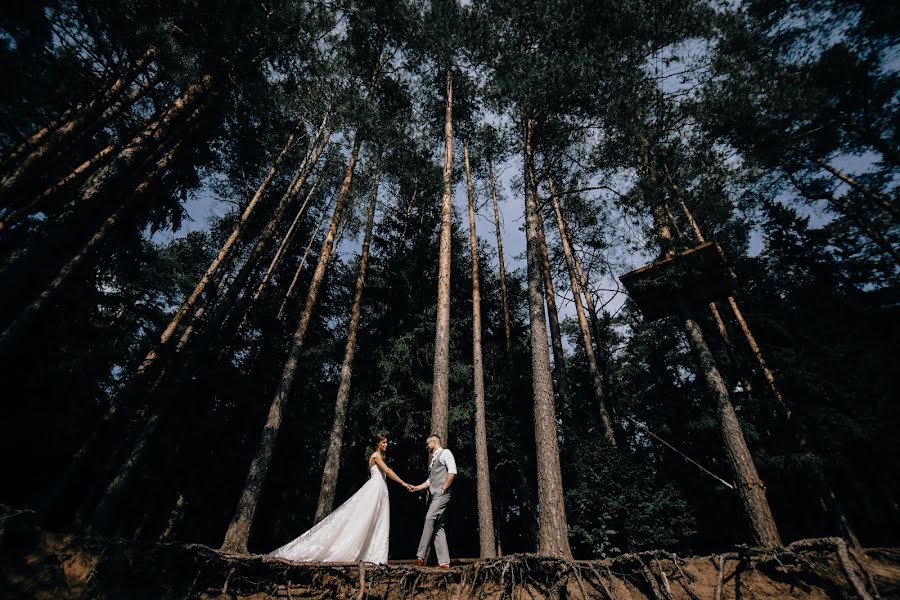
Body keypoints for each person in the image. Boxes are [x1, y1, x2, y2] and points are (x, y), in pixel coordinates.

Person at [268, 434, 409, 564]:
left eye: (386, 442)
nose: (386, 445)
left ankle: (372, 555)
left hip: (381, 489)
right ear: (378, 443)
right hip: (375, 489)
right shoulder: (376, 456)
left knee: (377, 520)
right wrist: (403, 483)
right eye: (384, 442)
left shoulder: (380, 457)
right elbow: (388, 471)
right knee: (364, 518)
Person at [408, 434, 456, 568]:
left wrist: (443, 489)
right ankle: (444, 562)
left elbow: (452, 472)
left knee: (429, 518)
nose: (426, 446)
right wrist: (416, 488)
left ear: (434, 442)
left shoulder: (446, 453)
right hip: (435, 495)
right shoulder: (433, 461)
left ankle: (420, 557)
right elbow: (430, 481)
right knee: (438, 526)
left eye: (428, 443)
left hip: (442, 494)